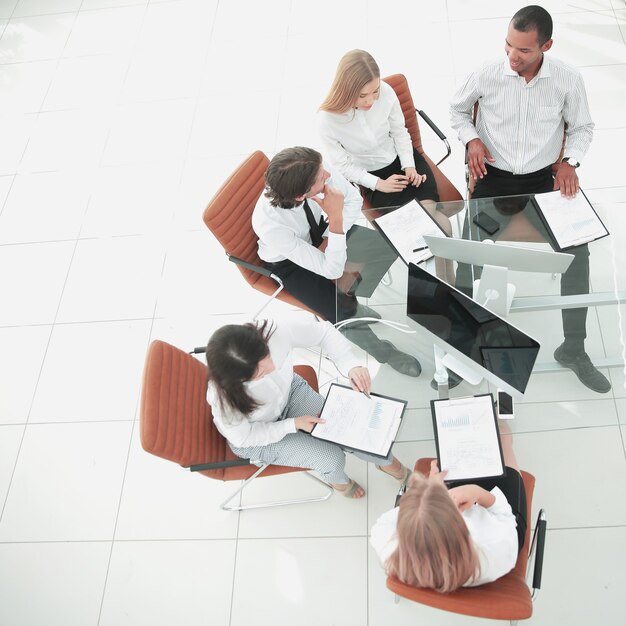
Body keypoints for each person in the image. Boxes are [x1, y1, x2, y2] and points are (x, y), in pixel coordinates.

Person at [449, 4, 610, 393]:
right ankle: (459, 345)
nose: (512, 57)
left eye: (523, 50)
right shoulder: (486, 73)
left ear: (546, 46)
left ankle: (573, 348)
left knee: (577, 252)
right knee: (467, 256)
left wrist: (570, 162)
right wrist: (471, 137)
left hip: (543, 180)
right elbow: (456, 111)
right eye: (508, 45)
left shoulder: (567, 80)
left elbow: (584, 127)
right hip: (492, 178)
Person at [252, 145, 422, 377]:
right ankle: (385, 353)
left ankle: (353, 301)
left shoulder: (314, 168)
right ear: (302, 195)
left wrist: (328, 236)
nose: (328, 176)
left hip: (317, 232)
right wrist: (335, 220)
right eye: (321, 179)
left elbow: (352, 199)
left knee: (379, 249)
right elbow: (330, 269)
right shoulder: (271, 225)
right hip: (289, 262)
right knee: (338, 310)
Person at [205, 314, 411, 498]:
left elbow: (324, 332)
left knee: (355, 431)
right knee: (331, 459)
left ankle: (391, 466)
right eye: (261, 374)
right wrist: (293, 424)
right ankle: (340, 483)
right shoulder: (224, 400)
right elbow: (245, 438)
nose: (273, 367)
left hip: (291, 394)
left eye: (267, 357)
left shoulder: (274, 331)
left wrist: (351, 365)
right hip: (258, 436)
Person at [370, 421, 526, 590]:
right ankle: (499, 422)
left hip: (466, 534)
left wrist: (432, 490)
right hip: (497, 524)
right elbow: (505, 516)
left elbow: (406, 516)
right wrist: (477, 492)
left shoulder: (385, 542)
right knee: (502, 436)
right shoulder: (494, 546)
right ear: (459, 519)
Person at [318, 49, 439, 209]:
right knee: (412, 225)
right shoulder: (327, 119)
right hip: (372, 176)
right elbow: (343, 166)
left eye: (375, 91)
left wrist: (409, 165)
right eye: (362, 96)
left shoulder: (386, 91)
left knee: (431, 214)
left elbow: (399, 132)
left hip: (403, 159)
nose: (370, 101)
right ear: (345, 91)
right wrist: (379, 184)